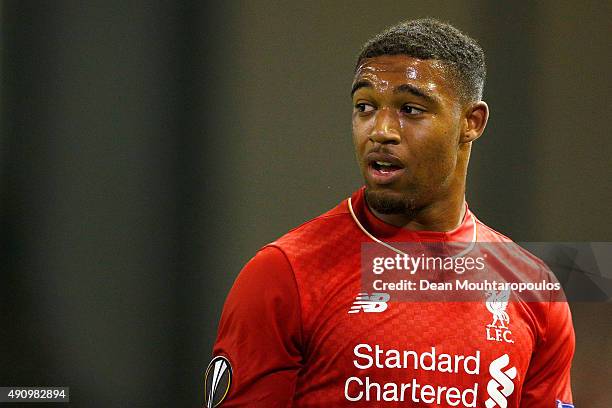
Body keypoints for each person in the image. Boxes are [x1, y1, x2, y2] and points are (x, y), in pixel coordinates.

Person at [204, 18, 575, 407]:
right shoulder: (283, 275)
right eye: (365, 106)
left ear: (471, 122)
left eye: (410, 109)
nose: (380, 130)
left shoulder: (533, 290)